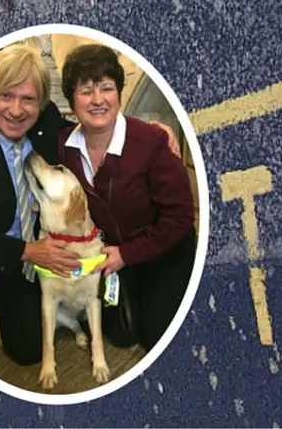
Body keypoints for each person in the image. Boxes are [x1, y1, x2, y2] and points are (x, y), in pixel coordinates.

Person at [0, 42, 181, 365]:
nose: (16, 110)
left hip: (38, 248)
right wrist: (23, 252)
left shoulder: (47, 123)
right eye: (6, 96)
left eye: (28, 99)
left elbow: (89, 128)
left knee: (26, 352)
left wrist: (153, 127)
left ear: (41, 102)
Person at [58, 44, 197, 352]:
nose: (97, 100)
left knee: (155, 336)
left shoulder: (152, 141)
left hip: (163, 247)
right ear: (72, 99)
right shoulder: (63, 147)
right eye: (86, 90)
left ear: (118, 93)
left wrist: (127, 254)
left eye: (106, 88)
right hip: (111, 254)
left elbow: (180, 218)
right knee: (120, 335)